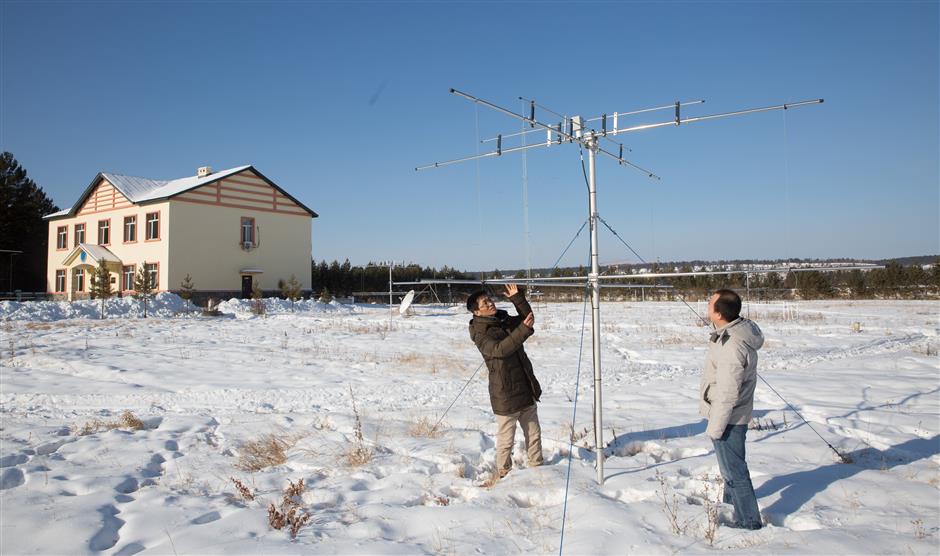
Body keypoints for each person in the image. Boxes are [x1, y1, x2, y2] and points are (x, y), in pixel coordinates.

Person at [699, 288, 765, 530]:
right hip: (729, 415)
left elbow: (727, 393)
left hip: (728, 418)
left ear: (719, 313)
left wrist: (715, 428)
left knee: (735, 472)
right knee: (730, 471)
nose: (707, 307)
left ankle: (750, 522)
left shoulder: (732, 346)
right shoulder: (731, 333)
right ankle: (731, 506)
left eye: (710, 304)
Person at [467, 283, 543, 478]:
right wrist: (522, 330)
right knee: (506, 441)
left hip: (525, 386)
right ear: (477, 311)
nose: (491, 303)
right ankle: (503, 474)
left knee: (534, 435)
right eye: (485, 302)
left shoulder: (502, 319)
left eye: (490, 299)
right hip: (505, 392)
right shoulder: (479, 332)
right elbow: (499, 350)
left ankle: (539, 470)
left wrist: (517, 298)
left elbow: (527, 319)